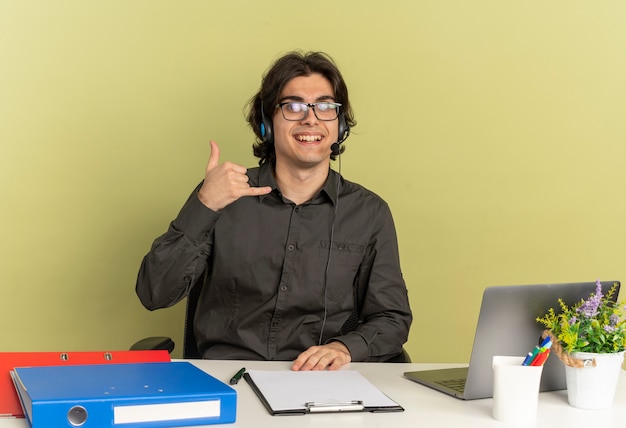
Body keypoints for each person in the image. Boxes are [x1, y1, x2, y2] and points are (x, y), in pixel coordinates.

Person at [136, 51, 412, 371]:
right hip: (228, 379)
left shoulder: (369, 213)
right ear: (267, 123)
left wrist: (345, 347)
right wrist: (205, 204)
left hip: (321, 384)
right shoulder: (223, 195)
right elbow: (153, 293)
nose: (311, 118)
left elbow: (392, 318)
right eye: (293, 106)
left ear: (340, 126)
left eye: (325, 106)